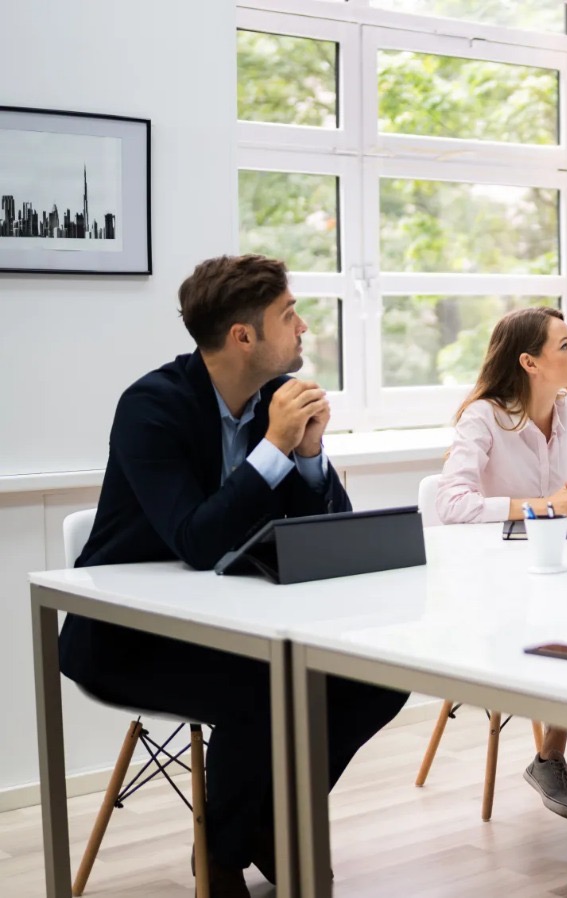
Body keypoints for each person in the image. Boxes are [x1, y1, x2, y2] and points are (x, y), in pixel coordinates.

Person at [60, 254, 409, 897]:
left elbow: (326, 534)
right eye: (288, 314)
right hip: (125, 634)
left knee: (380, 681)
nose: (303, 327)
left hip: (233, 623)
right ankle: (231, 850)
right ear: (243, 335)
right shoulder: (150, 407)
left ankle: (247, 829)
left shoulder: (275, 401)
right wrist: (275, 448)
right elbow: (196, 541)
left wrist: (308, 458)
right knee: (268, 685)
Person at [435, 306, 567, 824]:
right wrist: (547, 505)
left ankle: (554, 756)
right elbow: (451, 505)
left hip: (564, 576)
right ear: (529, 361)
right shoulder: (484, 417)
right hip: (497, 588)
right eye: (564, 345)